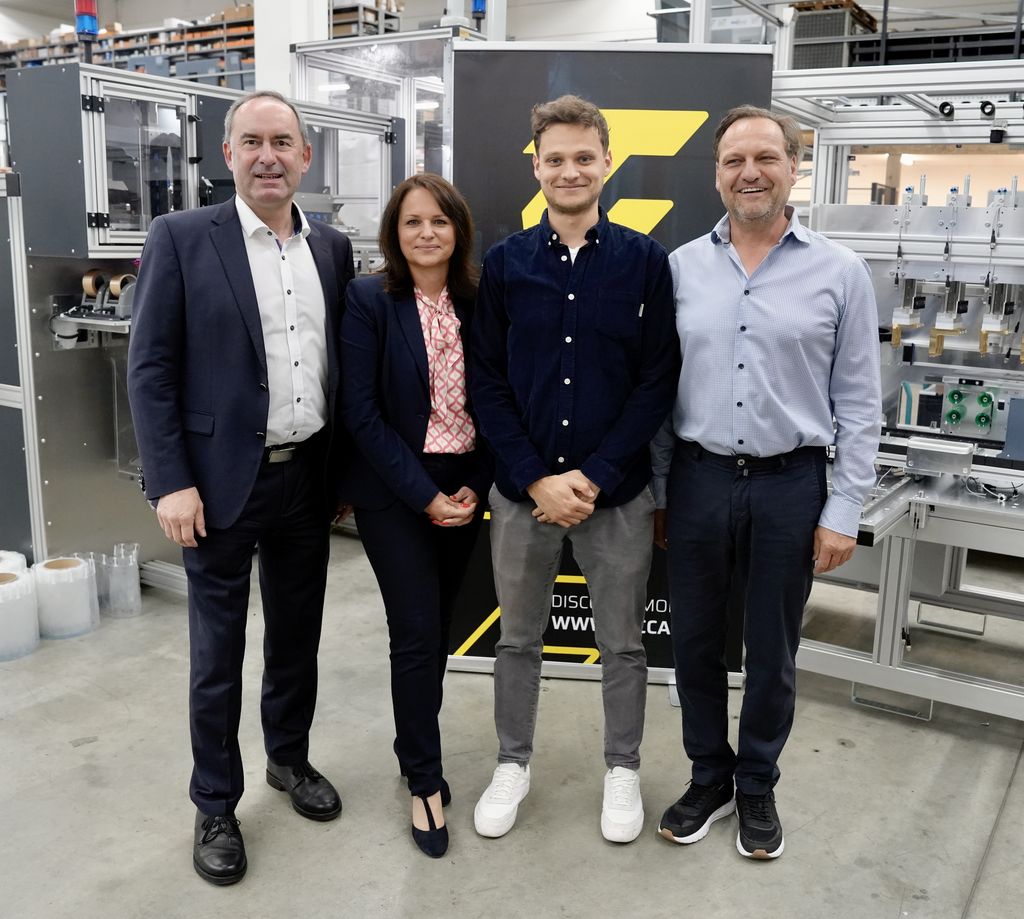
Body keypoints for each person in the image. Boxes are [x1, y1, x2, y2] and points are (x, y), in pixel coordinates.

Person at [127, 90, 355, 885]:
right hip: (218, 485)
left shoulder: (332, 249)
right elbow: (150, 369)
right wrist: (170, 482)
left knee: (297, 636)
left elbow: (337, 368)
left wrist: (343, 475)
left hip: (307, 479)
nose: (267, 156)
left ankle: (288, 758)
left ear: (305, 156)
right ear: (227, 155)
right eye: (251, 141)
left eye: (282, 141)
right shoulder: (182, 237)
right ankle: (216, 802)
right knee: (217, 653)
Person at [652, 105, 881, 860]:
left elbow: (859, 401)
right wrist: (661, 490)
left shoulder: (840, 272)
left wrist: (843, 508)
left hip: (791, 485)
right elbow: (659, 389)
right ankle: (708, 776)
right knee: (693, 644)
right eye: (734, 161)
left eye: (766, 158)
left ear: (793, 167)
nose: (749, 173)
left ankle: (756, 781)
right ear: (716, 174)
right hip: (698, 479)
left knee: (772, 649)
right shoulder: (680, 268)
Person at [470, 94, 680, 843]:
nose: (570, 170)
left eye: (584, 157)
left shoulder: (644, 261)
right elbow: (486, 380)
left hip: (614, 495)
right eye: (555, 158)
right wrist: (535, 478)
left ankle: (622, 767)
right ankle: (512, 762)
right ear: (536, 166)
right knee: (517, 640)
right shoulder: (505, 264)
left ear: (607, 163)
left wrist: (593, 474)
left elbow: (657, 379)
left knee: (623, 643)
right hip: (522, 494)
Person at [339, 174, 491, 858]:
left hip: (466, 486)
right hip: (396, 490)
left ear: (458, 230)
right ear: (393, 234)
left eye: (439, 221)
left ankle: (412, 750)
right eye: (412, 222)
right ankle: (425, 781)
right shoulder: (369, 299)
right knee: (416, 632)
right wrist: (424, 495)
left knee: (437, 634)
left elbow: (499, 399)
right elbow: (361, 413)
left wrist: (477, 485)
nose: (426, 233)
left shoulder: (480, 302)